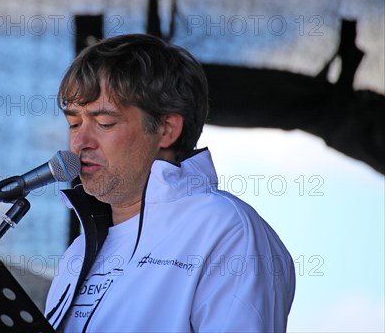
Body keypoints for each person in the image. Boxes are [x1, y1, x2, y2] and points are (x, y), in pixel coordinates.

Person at [44, 34, 296, 332]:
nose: (79, 142)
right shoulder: (78, 250)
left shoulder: (224, 228)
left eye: (104, 123)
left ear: (166, 130)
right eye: (74, 123)